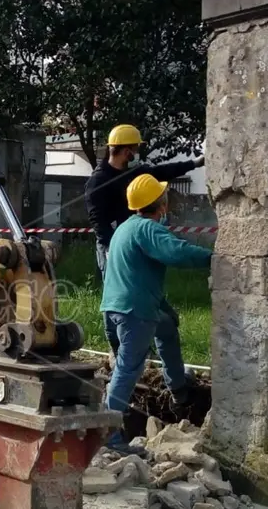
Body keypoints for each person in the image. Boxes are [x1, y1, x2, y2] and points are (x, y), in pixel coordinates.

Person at [101, 174, 212, 454]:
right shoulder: (148, 229)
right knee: (129, 370)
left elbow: (137, 277)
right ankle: (108, 434)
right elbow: (177, 252)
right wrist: (215, 257)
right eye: (164, 199)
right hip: (134, 313)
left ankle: (178, 387)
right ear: (159, 204)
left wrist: (165, 308)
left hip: (114, 308)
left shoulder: (124, 229)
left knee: (167, 328)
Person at [84, 124, 204, 356]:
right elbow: (97, 220)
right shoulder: (97, 181)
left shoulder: (133, 173)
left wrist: (194, 164)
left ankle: (143, 339)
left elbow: (161, 172)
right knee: (115, 297)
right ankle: (118, 349)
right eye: (135, 148)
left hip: (135, 241)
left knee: (143, 286)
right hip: (111, 245)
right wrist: (110, 247)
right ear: (125, 150)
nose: (136, 153)